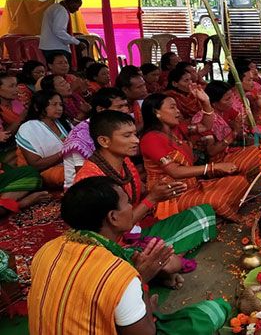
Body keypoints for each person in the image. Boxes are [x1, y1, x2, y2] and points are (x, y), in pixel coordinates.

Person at [28, 176, 231, 334]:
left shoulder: (47, 249)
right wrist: (142, 284)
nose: (131, 208)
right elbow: (146, 333)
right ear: (113, 217)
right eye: (127, 203)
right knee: (211, 312)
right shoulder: (120, 275)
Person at [75, 110, 219, 284]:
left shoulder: (125, 162)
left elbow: (139, 191)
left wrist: (163, 190)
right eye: (127, 136)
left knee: (204, 212)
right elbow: (113, 230)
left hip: (135, 233)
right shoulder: (91, 179)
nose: (136, 140)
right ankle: (156, 268)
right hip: (112, 250)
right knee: (170, 262)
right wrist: (152, 199)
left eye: (135, 134)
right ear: (104, 141)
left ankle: (159, 265)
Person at [139, 93, 250, 223]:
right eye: (172, 107)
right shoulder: (151, 139)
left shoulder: (176, 130)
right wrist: (213, 167)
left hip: (193, 186)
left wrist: (206, 102)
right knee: (217, 200)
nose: (178, 111)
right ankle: (220, 215)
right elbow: (174, 171)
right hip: (171, 198)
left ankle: (209, 214)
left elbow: (205, 126)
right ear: (156, 112)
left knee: (240, 181)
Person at [62, 88, 130, 189]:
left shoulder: (114, 127)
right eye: (120, 107)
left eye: (126, 105)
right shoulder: (81, 135)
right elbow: (84, 177)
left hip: (113, 180)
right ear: (101, 109)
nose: (126, 110)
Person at [191, 81, 260, 176]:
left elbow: (246, 125)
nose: (231, 101)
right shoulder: (202, 120)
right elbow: (212, 151)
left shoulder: (226, 110)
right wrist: (234, 132)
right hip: (215, 162)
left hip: (229, 151)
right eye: (227, 99)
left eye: (231, 97)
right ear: (214, 104)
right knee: (260, 153)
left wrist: (258, 108)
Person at [15, 91, 71, 187]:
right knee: (83, 173)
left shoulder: (64, 122)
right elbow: (35, 165)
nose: (59, 108)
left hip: (70, 163)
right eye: (54, 104)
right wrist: (64, 153)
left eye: (61, 105)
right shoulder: (28, 128)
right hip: (46, 170)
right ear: (37, 107)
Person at [39, 0, 83, 64]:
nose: (77, 9)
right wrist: (77, 42)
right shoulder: (61, 11)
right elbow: (59, 31)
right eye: (77, 6)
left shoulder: (54, 7)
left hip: (49, 46)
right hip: (56, 47)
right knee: (61, 70)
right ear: (71, 3)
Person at [0, 73, 28, 165]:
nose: (16, 90)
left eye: (16, 85)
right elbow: (4, 136)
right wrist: (21, 118)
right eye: (11, 86)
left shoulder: (17, 103)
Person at [116, 67, 149, 132]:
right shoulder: (116, 106)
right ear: (125, 90)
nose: (144, 89)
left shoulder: (139, 102)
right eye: (139, 87)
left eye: (144, 85)